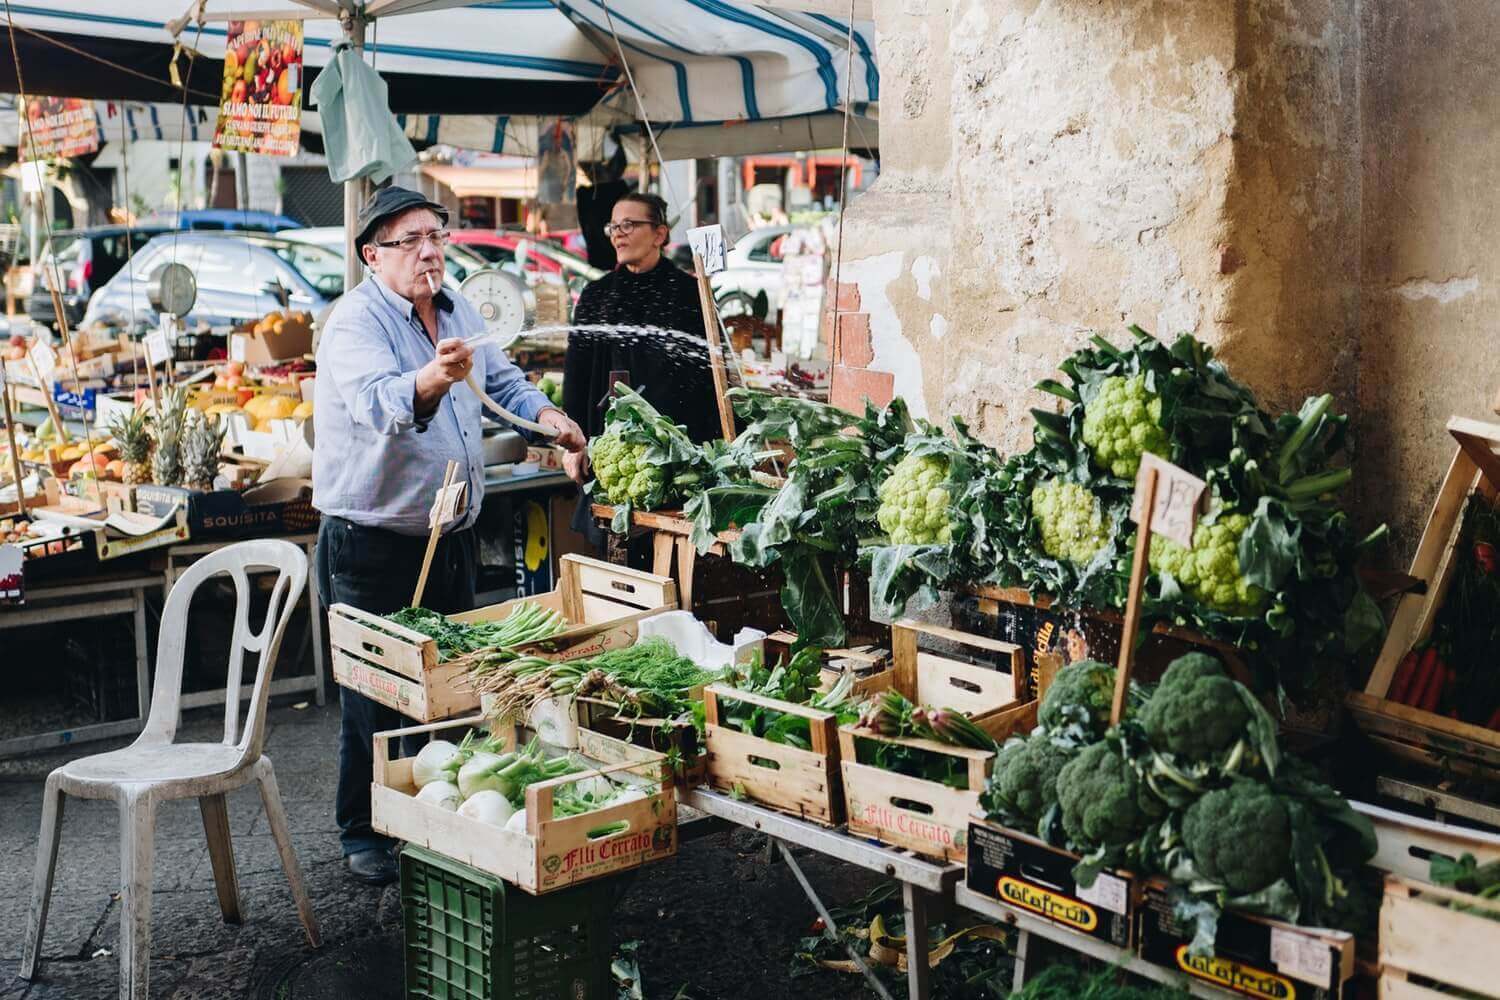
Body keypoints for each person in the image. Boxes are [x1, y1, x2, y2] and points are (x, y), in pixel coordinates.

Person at [312, 186, 585, 886]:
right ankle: (363, 832)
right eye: (412, 240)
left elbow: (506, 384)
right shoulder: (354, 322)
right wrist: (432, 378)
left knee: (451, 685)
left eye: (437, 234)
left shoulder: (459, 307)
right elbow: (381, 406)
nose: (431, 250)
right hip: (374, 541)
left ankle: (433, 819)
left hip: (451, 533)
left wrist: (549, 421)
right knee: (377, 694)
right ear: (374, 254)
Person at [561, 192, 720, 486]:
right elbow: (576, 376)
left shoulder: (690, 294)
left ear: (659, 234)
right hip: (610, 454)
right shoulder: (596, 296)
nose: (618, 235)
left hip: (680, 457)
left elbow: (711, 378)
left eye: (628, 225)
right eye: (613, 227)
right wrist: (574, 442)